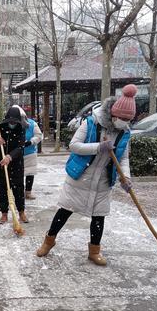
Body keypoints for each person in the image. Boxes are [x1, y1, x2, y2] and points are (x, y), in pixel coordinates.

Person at [36, 84, 137, 265]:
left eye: (127, 120)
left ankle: (94, 251)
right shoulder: (91, 123)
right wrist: (98, 147)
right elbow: (74, 145)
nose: (123, 122)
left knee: (99, 216)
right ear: (113, 114)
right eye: (121, 118)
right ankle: (48, 241)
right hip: (81, 176)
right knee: (65, 211)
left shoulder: (125, 133)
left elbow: (123, 159)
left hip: (104, 180)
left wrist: (126, 178)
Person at [0, 106, 29, 225]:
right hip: (0, 163)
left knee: (18, 188)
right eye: (10, 122)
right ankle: (4, 214)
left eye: (14, 122)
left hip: (16, 163)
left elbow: (20, 147)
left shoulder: (21, 128)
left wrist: (9, 157)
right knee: (2, 189)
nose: (12, 124)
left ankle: (21, 212)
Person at [17, 106, 43, 199]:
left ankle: (28, 192)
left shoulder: (32, 124)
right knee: (17, 175)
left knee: (30, 173)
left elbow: (39, 136)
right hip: (16, 154)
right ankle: (18, 192)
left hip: (30, 152)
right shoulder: (12, 124)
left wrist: (31, 142)